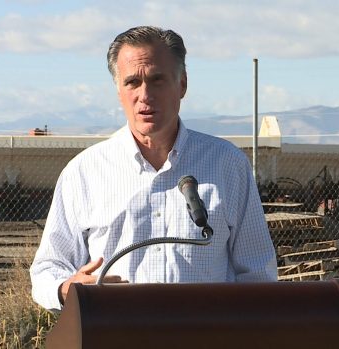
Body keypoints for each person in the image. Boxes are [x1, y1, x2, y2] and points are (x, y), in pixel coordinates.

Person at [30, 26, 277, 311]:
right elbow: (47, 269)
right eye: (133, 82)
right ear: (118, 90)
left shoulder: (227, 165)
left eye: (158, 80)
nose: (145, 95)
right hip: (115, 335)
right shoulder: (84, 172)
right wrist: (65, 289)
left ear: (182, 84)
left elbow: (258, 273)